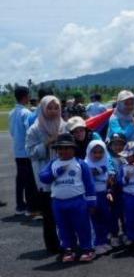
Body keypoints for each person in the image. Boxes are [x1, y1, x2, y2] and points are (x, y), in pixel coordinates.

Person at [37, 133, 96, 262]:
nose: (63, 151)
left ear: (73, 149)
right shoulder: (53, 164)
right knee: (63, 227)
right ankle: (69, 249)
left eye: (67, 148)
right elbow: (43, 177)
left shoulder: (80, 164)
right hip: (58, 202)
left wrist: (91, 203)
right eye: (60, 148)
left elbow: (89, 184)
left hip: (78, 201)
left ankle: (87, 248)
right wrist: (54, 173)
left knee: (83, 225)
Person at [26, 95, 67, 253]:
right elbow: (31, 153)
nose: (53, 111)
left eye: (56, 107)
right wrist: (47, 142)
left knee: (64, 211)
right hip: (45, 177)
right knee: (49, 215)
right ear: (42, 109)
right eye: (49, 107)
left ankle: (67, 241)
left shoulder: (63, 125)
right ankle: (52, 245)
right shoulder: (35, 129)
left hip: (64, 175)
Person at [10, 85, 37, 217]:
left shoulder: (11, 113)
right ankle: (30, 207)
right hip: (26, 151)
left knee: (20, 179)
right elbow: (30, 132)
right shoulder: (26, 113)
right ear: (25, 97)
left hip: (17, 150)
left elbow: (11, 132)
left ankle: (20, 205)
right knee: (30, 181)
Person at [84, 139, 112, 255]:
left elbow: (109, 179)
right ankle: (96, 243)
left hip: (104, 195)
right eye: (94, 152)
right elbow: (89, 174)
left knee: (105, 218)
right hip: (92, 196)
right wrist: (99, 170)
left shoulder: (107, 162)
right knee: (94, 220)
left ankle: (104, 240)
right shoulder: (85, 164)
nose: (97, 155)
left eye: (100, 152)